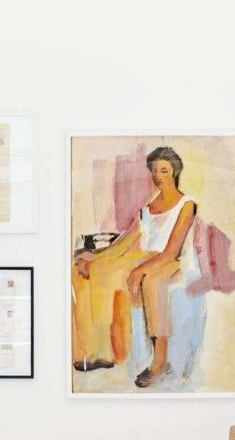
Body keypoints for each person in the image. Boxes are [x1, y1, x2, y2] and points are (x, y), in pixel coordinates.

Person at [72, 146, 198, 387]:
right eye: (154, 170)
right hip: (145, 256)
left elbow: (171, 251)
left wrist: (139, 270)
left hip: (172, 261)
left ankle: (159, 361)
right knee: (102, 270)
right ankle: (103, 352)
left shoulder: (186, 204)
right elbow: (125, 241)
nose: (158, 176)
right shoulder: (149, 205)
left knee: (151, 282)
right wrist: (95, 257)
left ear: (175, 171)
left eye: (164, 170)